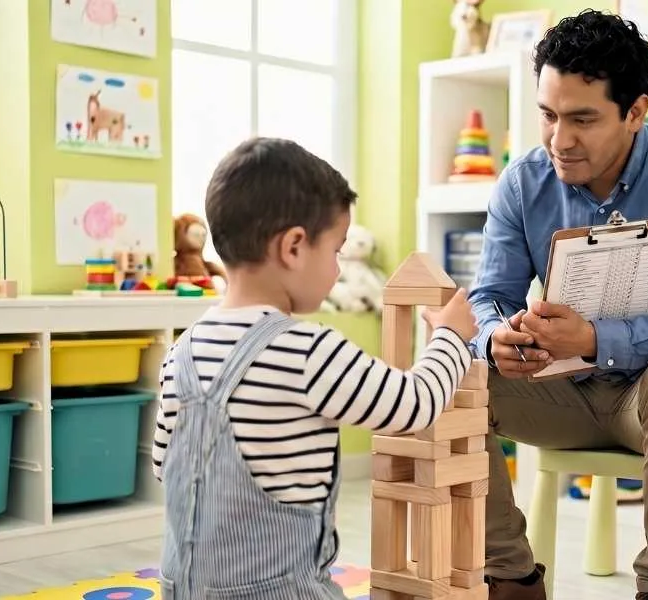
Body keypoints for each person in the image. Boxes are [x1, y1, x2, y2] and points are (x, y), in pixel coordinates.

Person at [466, 10, 648, 600]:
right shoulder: (521, 183)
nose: (559, 140)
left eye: (582, 119)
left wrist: (593, 339)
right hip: (559, 394)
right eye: (548, 114)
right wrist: (495, 338)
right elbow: (488, 298)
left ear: (635, 112)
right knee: (448, 380)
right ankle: (511, 578)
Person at [151, 137, 478, 600]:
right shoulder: (309, 352)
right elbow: (413, 404)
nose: (338, 270)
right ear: (294, 247)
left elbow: (166, 467)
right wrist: (451, 337)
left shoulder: (181, 352)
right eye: (336, 251)